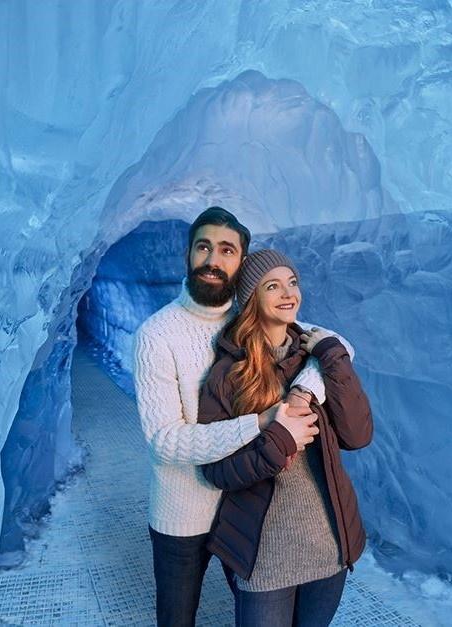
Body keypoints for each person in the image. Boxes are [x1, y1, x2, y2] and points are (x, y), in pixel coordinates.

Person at [133, 207, 352, 627]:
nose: (214, 260)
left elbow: (333, 342)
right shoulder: (156, 335)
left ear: (241, 263)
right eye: (204, 247)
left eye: (227, 250)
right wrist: (261, 422)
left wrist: (303, 392)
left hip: (245, 506)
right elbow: (164, 440)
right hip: (185, 515)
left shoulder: (249, 316)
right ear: (189, 255)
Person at [197, 249, 373, 627]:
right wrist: (279, 442)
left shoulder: (317, 361)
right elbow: (216, 472)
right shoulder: (227, 375)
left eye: (292, 282)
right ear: (250, 300)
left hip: (328, 545)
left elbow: (357, 436)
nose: (288, 293)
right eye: (272, 286)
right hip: (263, 555)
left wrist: (332, 357)